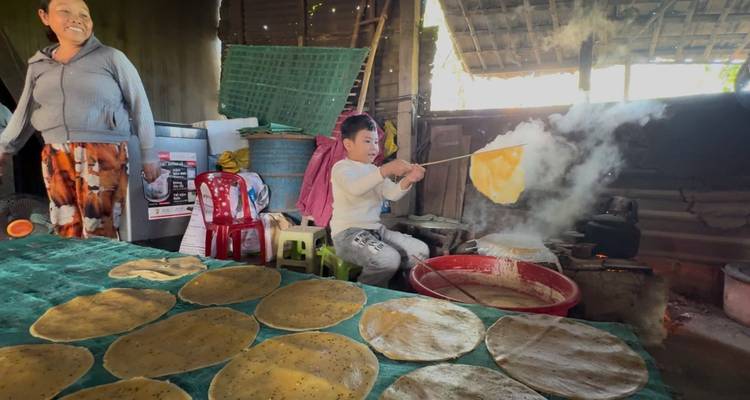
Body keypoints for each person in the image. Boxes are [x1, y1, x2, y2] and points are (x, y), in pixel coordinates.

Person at [0, 0, 159, 238]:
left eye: (84, 14)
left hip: (103, 153)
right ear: (45, 16)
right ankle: (74, 275)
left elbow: (140, 106)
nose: (77, 19)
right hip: (55, 153)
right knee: (64, 228)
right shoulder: (38, 66)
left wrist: (149, 153)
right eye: (65, 11)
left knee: (99, 228)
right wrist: (3, 148)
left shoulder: (112, 58)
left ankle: (102, 274)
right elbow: (24, 113)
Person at [330, 114, 429, 288]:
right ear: (348, 144)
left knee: (420, 251)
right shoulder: (341, 168)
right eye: (367, 141)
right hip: (347, 235)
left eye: (376, 142)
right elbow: (355, 188)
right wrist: (386, 170)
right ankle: (361, 296)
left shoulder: (373, 169)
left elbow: (392, 194)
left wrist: (410, 179)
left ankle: (399, 290)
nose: (374, 147)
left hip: (376, 231)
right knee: (388, 259)